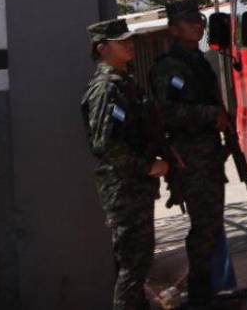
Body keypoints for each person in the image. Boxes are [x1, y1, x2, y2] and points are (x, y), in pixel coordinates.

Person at [151, 1, 243, 308]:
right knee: (203, 226)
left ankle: (210, 290)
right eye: (189, 22)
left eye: (199, 20)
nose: (198, 26)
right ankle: (201, 296)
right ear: (173, 29)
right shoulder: (168, 66)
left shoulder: (198, 61)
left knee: (212, 221)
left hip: (208, 152)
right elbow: (166, 111)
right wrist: (209, 114)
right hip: (189, 156)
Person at [82, 18, 170, 310]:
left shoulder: (125, 83)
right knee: (133, 267)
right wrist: (147, 166)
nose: (129, 45)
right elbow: (105, 146)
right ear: (102, 49)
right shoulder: (107, 89)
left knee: (138, 263)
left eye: (130, 40)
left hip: (134, 188)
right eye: (122, 42)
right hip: (124, 189)